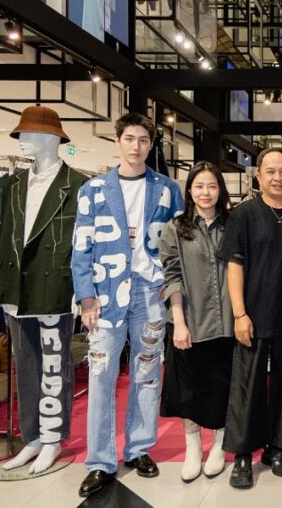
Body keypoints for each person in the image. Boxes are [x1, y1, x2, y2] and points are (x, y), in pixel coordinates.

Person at [72, 113, 184, 497]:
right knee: (101, 374)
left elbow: (177, 244)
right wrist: (86, 296)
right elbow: (81, 246)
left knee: (147, 372)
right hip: (105, 294)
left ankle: (138, 448)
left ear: (151, 145)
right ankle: (100, 460)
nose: (136, 146)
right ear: (118, 141)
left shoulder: (167, 189)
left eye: (143, 140)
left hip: (150, 291)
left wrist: (170, 283)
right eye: (130, 138)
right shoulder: (93, 190)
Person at [0, 106, 88, 475]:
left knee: (54, 364)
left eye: (29, 134)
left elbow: (83, 242)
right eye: (22, 134)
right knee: (24, 364)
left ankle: (52, 438)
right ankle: (32, 436)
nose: (22, 140)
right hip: (17, 288)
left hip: (54, 286)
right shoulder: (13, 185)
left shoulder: (77, 185)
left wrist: (81, 289)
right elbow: (8, 237)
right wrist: (1, 286)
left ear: (51, 138)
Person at [218, 147, 282, 489]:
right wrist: (239, 313)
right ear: (258, 176)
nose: (277, 177)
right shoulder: (243, 215)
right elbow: (234, 265)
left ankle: (276, 447)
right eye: (270, 171)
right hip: (254, 313)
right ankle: (243, 453)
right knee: (248, 384)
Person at [158, 161, 234, 483]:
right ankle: (193, 447)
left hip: (227, 321)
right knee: (187, 389)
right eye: (199, 186)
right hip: (188, 319)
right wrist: (179, 321)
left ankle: (219, 445)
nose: (206, 193)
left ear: (220, 190)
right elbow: (172, 275)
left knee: (222, 386)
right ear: (189, 190)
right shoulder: (175, 228)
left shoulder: (233, 225)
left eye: (212, 186)